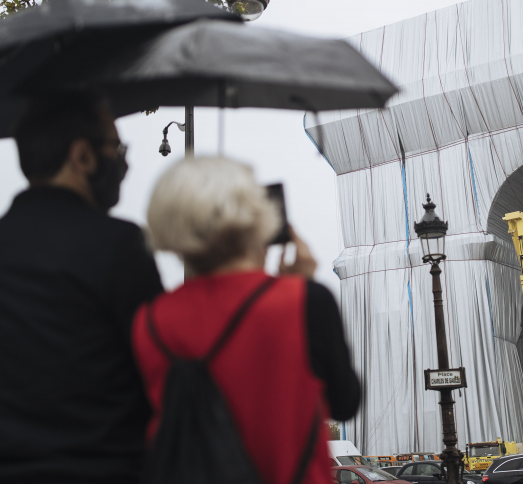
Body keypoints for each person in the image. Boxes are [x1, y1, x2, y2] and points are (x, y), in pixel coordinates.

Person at [0, 93, 163, 484]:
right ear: (82, 156)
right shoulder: (119, 245)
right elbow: (159, 368)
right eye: (117, 149)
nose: (125, 164)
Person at [132, 157, 360, 484]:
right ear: (256, 221)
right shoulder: (304, 301)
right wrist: (303, 285)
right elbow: (344, 402)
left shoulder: (149, 321)